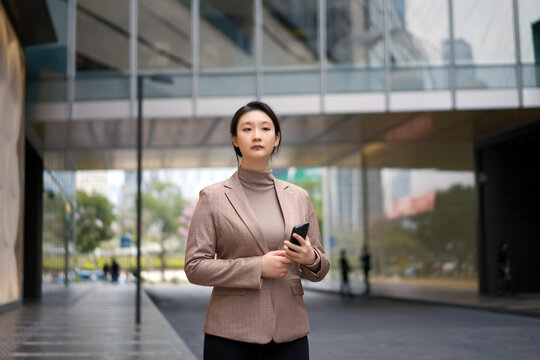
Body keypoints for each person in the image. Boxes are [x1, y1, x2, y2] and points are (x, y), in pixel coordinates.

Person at [185, 101, 330, 360]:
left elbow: (319, 268)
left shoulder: (298, 197)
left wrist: (310, 258)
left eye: (265, 129)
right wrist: (257, 267)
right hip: (231, 333)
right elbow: (195, 267)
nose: (256, 135)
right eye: (247, 129)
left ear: (276, 139)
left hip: (290, 331)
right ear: (234, 139)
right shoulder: (213, 197)